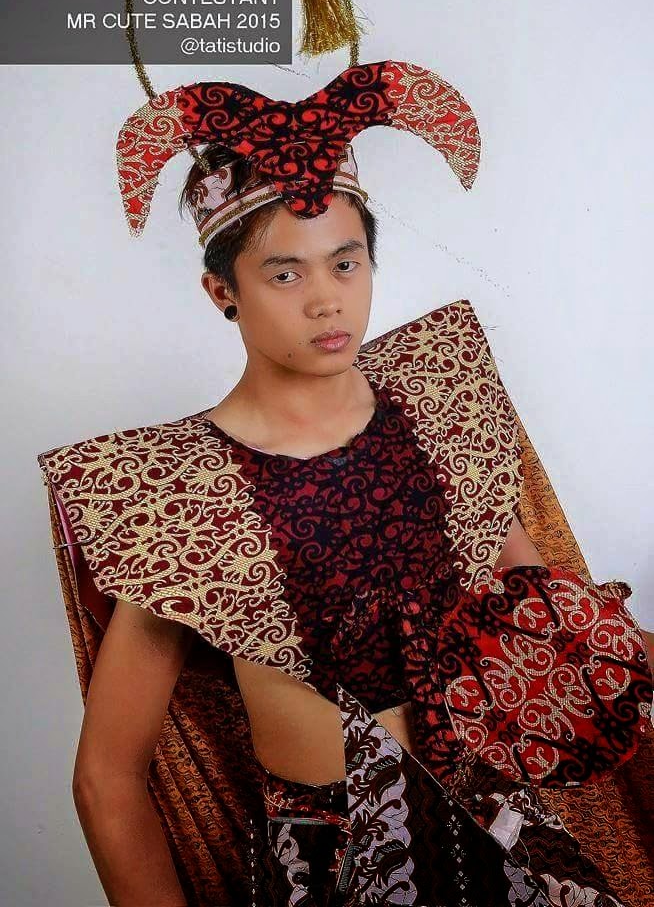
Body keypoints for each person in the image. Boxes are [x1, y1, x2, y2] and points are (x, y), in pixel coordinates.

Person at [37, 65, 654, 905]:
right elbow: (107, 778)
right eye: (285, 274)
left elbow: (553, 629)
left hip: (506, 836)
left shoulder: (442, 415)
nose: (327, 300)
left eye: (345, 262)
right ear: (223, 291)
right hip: (336, 868)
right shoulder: (179, 499)